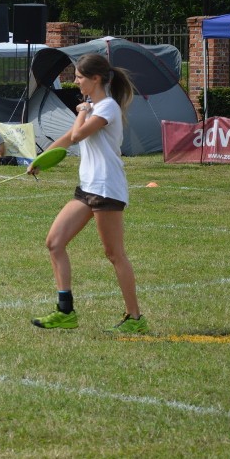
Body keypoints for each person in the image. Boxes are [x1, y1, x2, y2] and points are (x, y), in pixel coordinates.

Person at [27, 53, 148, 334]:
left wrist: (83, 110)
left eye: (79, 77)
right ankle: (65, 311)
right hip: (88, 187)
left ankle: (135, 318)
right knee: (54, 243)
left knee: (114, 254)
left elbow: (79, 134)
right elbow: (69, 138)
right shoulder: (93, 106)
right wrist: (40, 159)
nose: (75, 81)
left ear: (95, 79)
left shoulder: (106, 108)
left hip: (107, 188)